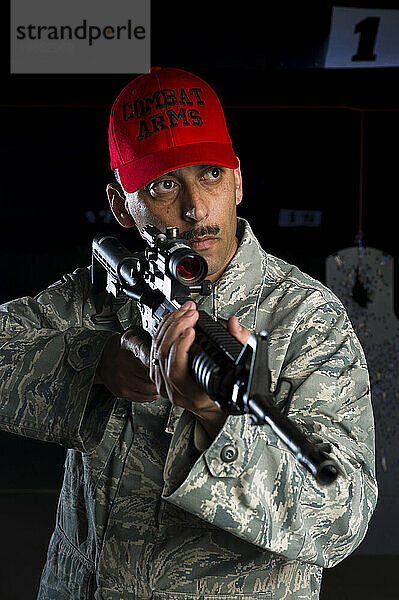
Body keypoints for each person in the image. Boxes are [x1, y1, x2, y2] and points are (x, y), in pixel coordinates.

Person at [0, 67, 377, 600]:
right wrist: (100, 365)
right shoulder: (105, 295)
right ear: (120, 206)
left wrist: (217, 417)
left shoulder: (306, 320)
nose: (196, 209)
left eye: (211, 176)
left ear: (239, 180)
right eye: (165, 185)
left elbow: (341, 517)